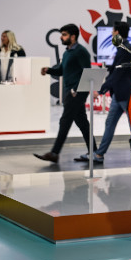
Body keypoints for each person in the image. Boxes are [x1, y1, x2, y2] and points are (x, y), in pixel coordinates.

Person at [34, 23, 97, 165]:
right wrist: (49, 70)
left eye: (64, 35)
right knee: (82, 123)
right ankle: (95, 153)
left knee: (65, 121)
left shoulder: (81, 52)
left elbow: (87, 71)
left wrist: (76, 90)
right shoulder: (67, 52)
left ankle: (54, 153)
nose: (61, 37)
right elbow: (61, 70)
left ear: (73, 37)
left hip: (76, 92)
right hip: (71, 91)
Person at [74, 21, 131, 165]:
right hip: (118, 95)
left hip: (125, 94)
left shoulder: (126, 49)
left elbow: (118, 74)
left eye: (113, 31)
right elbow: (115, 72)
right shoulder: (122, 48)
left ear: (117, 33)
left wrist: (102, 89)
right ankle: (99, 154)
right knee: (110, 123)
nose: (112, 34)